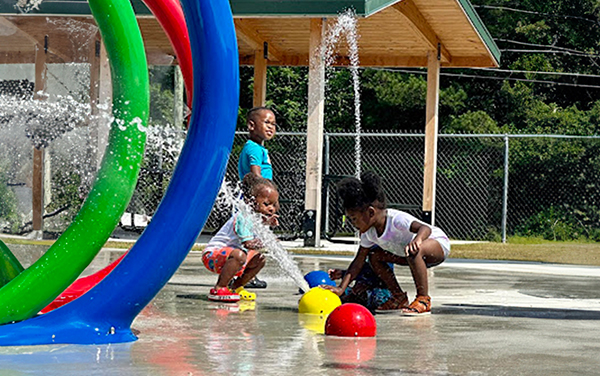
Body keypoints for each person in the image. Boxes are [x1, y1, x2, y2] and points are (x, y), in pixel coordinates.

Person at [322, 171, 450, 315]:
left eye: (354, 218)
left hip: (436, 244)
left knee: (415, 251)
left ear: (371, 212)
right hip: (409, 255)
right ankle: (398, 297)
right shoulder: (369, 234)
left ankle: (423, 299)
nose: (353, 224)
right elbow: (357, 262)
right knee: (375, 256)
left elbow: (424, 228)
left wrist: (417, 240)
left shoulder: (396, 220)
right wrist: (341, 288)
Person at [203, 173, 280, 302]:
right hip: (212, 256)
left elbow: (254, 243)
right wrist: (268, 242)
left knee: (259, 259)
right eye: (266, 204)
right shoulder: (243, 218)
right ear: (250, 201)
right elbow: (248, 244)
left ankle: (236, 287)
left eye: (274, 204)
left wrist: (267, 225)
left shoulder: (257, 220)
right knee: (240, 255)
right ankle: (219, 288)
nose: (271, 209)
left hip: (233, 257)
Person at [237, 106, 277, 289]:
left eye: (274, 124)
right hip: (255, 199)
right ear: (251, 125)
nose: (271, 127)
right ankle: (245, 274)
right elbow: (256, 176)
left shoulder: (259, 148)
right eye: (267, 122)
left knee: (255, 236)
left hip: (258, 199)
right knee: (250, 238)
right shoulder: (253, 149)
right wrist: (264, 200)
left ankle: (248, 274)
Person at [327, 263, 393, 313]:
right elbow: (358, 266)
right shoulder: (367, 247)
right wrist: (343, 273)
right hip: (367, 285)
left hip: (379, 292)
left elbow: (384, 275)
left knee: (377, 298)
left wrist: (368, 284)